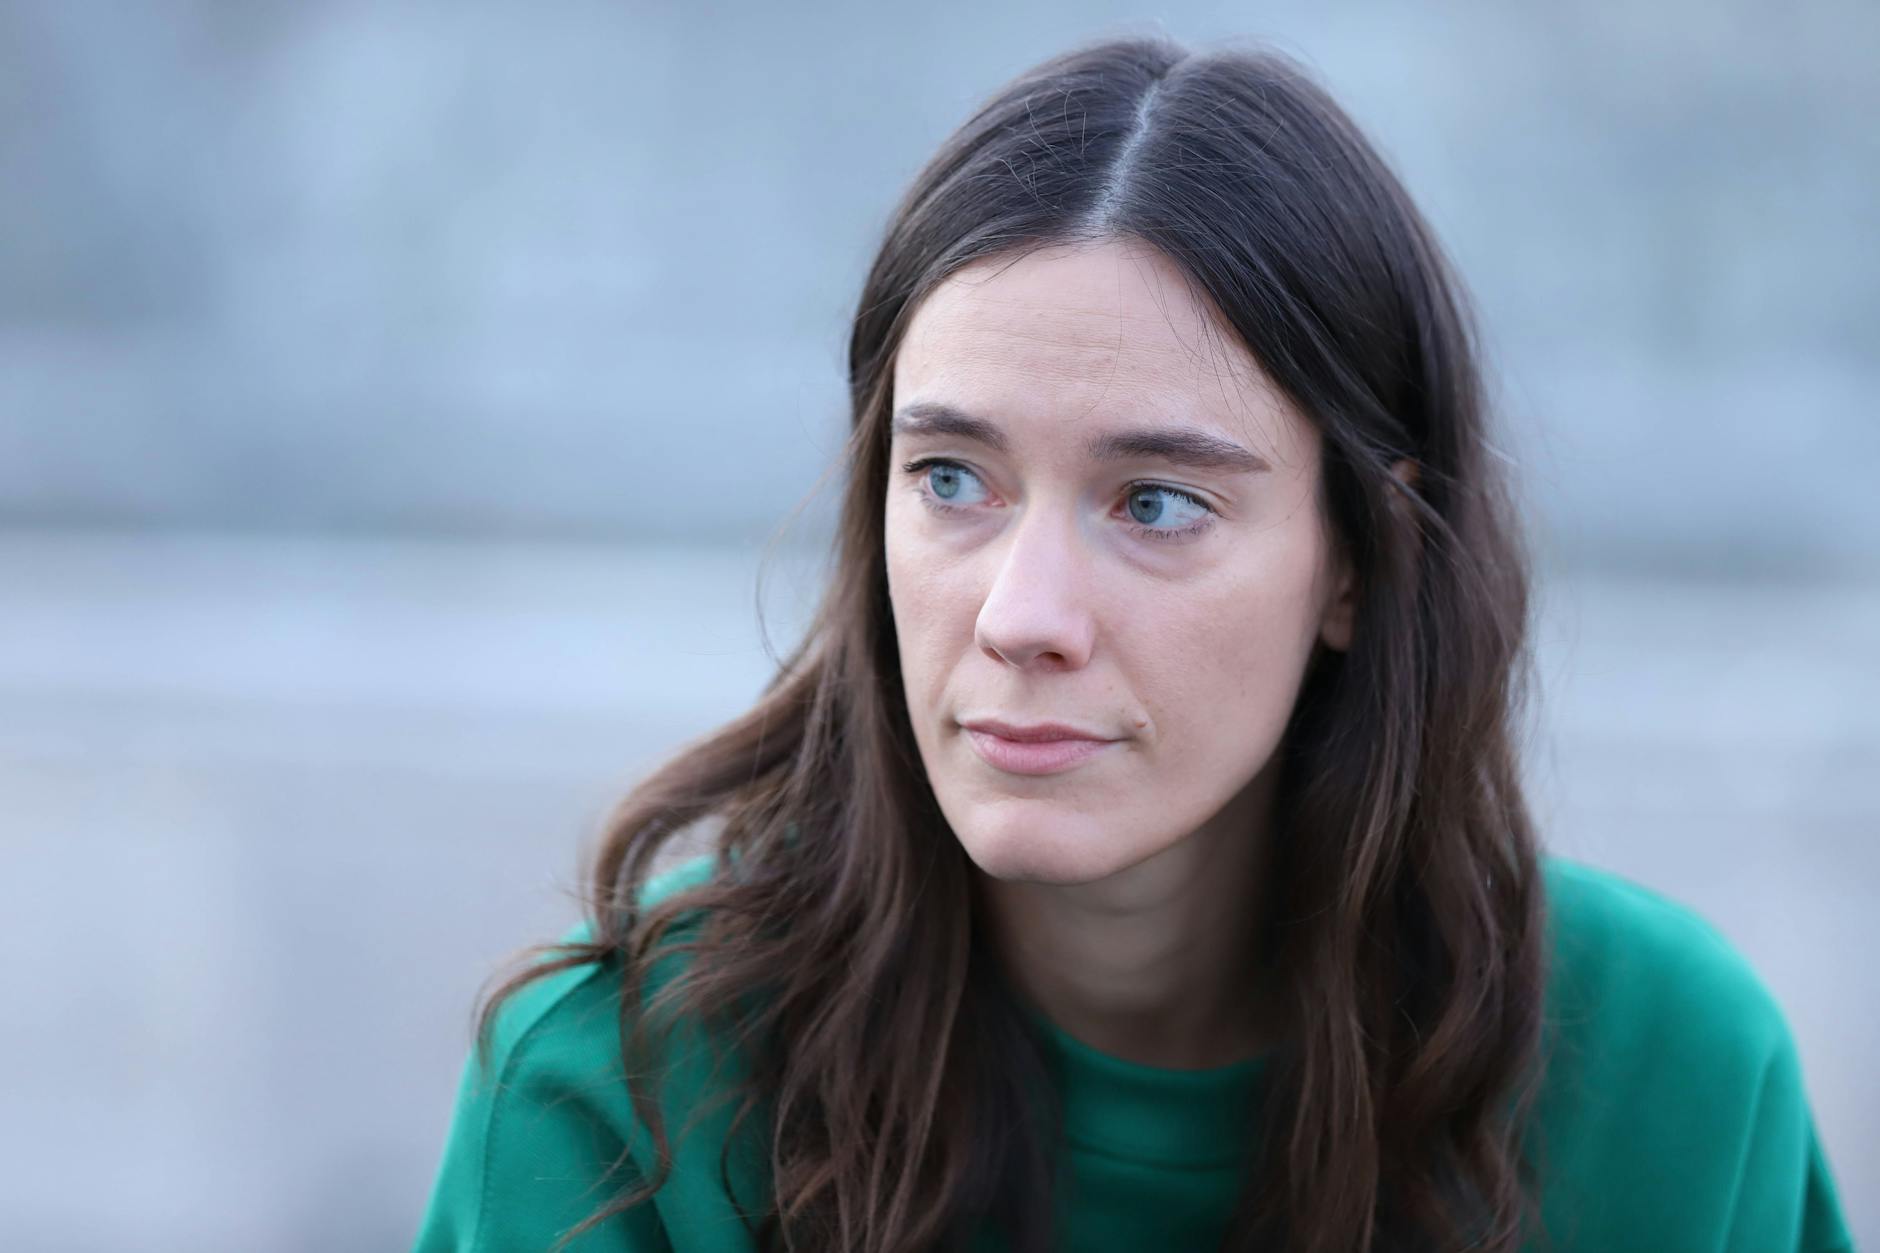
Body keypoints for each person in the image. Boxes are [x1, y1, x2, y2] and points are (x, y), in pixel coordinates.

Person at [411, 36, 1853, 1253]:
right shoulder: (617, 1100)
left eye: (1156, 503)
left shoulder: (1667, 1078)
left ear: (1357, 561)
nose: (1022, 614)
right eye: (953, 479)